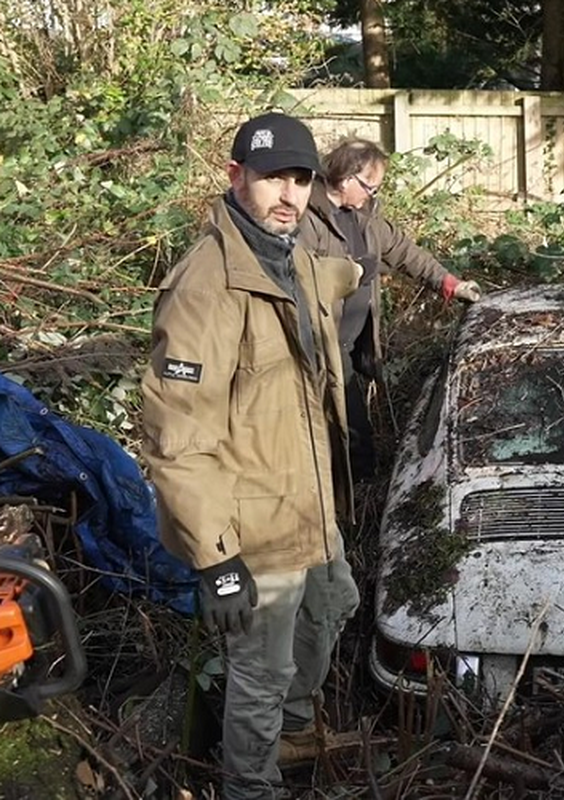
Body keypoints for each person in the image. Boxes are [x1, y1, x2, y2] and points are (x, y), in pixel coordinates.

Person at [141, 112, 362, 800]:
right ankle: (250, 786)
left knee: (334, 609)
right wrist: (218, 559)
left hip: (312, 509)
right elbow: (177, 440)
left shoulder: (291, 255)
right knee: (259, 677)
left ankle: (297, 729)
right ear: (236, 177)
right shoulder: (204, 289)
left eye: (300, 180)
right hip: (254, 534)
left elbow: (328, 282)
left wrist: (354, 272)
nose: (287, 194)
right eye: (271, 178)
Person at [296, 137, 481, 480]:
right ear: (346, 178)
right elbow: (302, 281)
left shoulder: (365, 216)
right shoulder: (308, 219)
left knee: (351, 428)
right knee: (350, 434)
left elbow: (406, 253)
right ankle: (355, 502)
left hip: (353, 345)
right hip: (323, 346)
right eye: (369, 186)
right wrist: (355, 273)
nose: (373, 194)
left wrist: (451, 284)